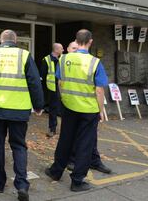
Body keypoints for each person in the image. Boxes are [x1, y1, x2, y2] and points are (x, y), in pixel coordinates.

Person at [0, 30, 44, 201]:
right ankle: (21, 184)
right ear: (15, 40)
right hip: (18, 110)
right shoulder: (24, 55)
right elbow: (34, 82)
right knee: (19, 146)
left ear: (1, 40)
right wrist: (38, 106)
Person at [45, 29, 107, 192]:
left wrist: (64, 100)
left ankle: (55, 171)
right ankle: (77, 181)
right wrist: (100, 110)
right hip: (88, 110)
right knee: (85, 145)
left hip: (69, 107)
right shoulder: (95, 62)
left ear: (76, 40)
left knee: (65, 140)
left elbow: (59, 82)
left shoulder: (64, 59)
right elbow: (99, 90)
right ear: (90, 42)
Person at [64, 41, 111, 175]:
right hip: (73, 106)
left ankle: (94, 161)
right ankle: (73, 162)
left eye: (76, 47)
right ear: (68, 49)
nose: (75, 50)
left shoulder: (87, 62)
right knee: (75, 137)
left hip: (87, 106)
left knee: (90, 138)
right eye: (72, 48)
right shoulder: (66, 62)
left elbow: (97, 88)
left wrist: (99, 108)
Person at [40, 43, 63, 137]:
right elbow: (42, 75)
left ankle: (65, 129)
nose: (63, 50)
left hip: (63, 87)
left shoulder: (63, 59)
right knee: (53, 109)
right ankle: (52, 128)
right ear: (56, 50)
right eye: (61, 48)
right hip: (52, 88)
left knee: (63, 109)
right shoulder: (46, 59)